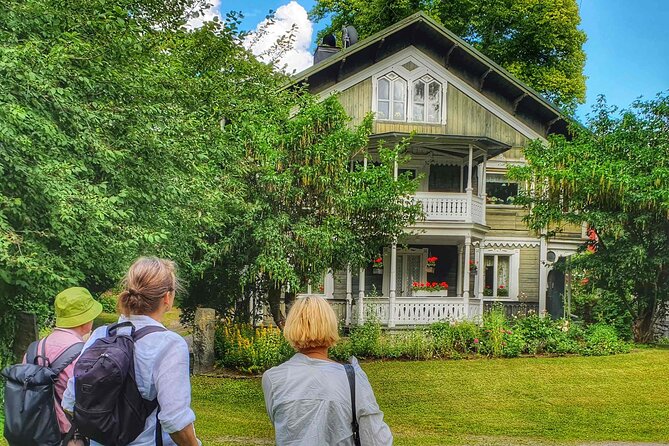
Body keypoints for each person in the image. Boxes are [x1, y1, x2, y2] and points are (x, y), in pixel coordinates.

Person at [62, 257, 201, 446]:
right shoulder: (169, 344)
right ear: (167, 297)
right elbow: (176, 421)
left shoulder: (101, 335)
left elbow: (70, 401)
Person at [262, 295, 393, 446]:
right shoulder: (352, 378)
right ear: (330, 325)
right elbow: (377, 440)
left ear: (292, 326)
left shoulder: (272, 378)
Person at [14, 287, 102, 444]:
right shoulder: (82, 353)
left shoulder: (35, 348)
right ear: (86, 320)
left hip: (34, 433)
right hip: (69, 437)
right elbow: (89, 400)